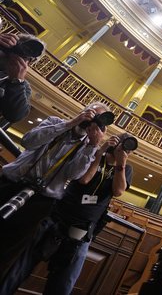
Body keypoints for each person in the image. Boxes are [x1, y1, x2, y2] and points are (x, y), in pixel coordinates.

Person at [0, 133, 134, 295]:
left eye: (128, 147)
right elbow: (84, 179)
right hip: (56, 218)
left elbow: (118, 191)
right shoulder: (94, 155)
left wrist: (121, 163)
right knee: (20, 268)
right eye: (121, 143)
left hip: (83, 229)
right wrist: (100, 153)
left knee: (64, 282)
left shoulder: (126, 168)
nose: (123, 148)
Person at [0, 102, 110, 274]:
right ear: (83, 111)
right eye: (91, 113)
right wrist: (70, 124)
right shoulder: (55, 121)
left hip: (40, 201)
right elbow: (28, 141)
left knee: (7, 248)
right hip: (9, 184)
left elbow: (73, 174)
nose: (91, 119)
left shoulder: (86, 146)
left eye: (97, 118)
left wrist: (93, 146)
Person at [0, 31, 45, 123]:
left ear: (29, 62)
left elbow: (15, 115)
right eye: (21, 46)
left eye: (26, 57)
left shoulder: (23, 87)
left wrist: (16, 81)